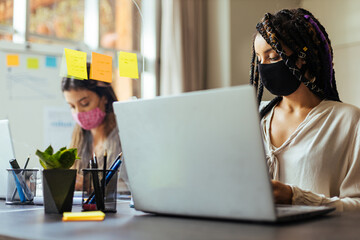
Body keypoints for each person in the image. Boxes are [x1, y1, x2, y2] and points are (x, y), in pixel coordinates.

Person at [250, 8, 360, 212]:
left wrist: (296, 197)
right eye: (259, 59)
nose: (263, 68)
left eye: (273, 57)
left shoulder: (349, 121)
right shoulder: (254, 117)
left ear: (303, 58)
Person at [61, 63, 128, 191]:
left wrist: (89, 185)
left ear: (104, 98)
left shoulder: (123, 135)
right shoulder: (79, 136)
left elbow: (128, 188)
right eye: (72, 106)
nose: (78, 112)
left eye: (85, 103)